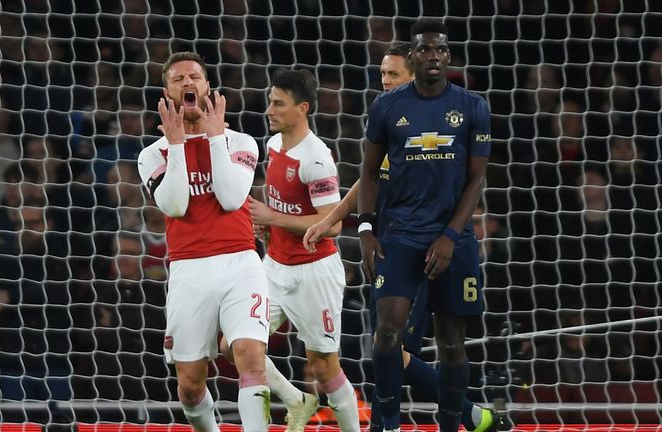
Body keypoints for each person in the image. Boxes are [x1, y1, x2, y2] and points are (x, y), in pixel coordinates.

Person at [304, 42, 502, 432]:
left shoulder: (429, 121)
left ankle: (465, 417)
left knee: (402, 346)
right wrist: (337, 220)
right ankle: (472, 418)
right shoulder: (391, 117)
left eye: (393, 74)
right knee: (390, 344)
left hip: (432, 247)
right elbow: (369, 177)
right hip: (396, 245)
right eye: (382, 74)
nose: (385, 81)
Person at [359, 20, 491, 432]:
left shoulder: (473, 106)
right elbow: (367, 173)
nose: (433, 56)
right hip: (399, 235)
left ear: (448, 57)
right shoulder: (387, 106)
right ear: (413, 57)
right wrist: (365, 229)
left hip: (454, 239)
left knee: (452, 344)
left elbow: (476, 179)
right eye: (425, 50)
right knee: (386, 332)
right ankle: (387, 424)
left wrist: (450, 236)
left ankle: (451, 424)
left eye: (440, 50)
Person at [221, 68, 361, 432]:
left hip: (314, 271)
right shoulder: (272, 145)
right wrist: (267, 223)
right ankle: (296, 400)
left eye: (279, 104)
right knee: (232, 344)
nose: (270, 110)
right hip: (274, 267)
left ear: (303, 109)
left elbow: (331, 222)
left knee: (323, 367)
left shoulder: (316, 158)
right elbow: (280, 195)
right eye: (270, 101)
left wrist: (274, 216)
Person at [137, 51, 270, 432]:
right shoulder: (152, 155)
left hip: (240, 263)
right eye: (179, 79)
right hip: (189, 270)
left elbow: (230, 198)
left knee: (249, 356)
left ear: (207, 86)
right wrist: (177, 144)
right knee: (190, 388)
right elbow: (176, 205)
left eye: (195, 76)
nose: (188, 83)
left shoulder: (240, 142)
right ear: (167, 92)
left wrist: (213, 138)